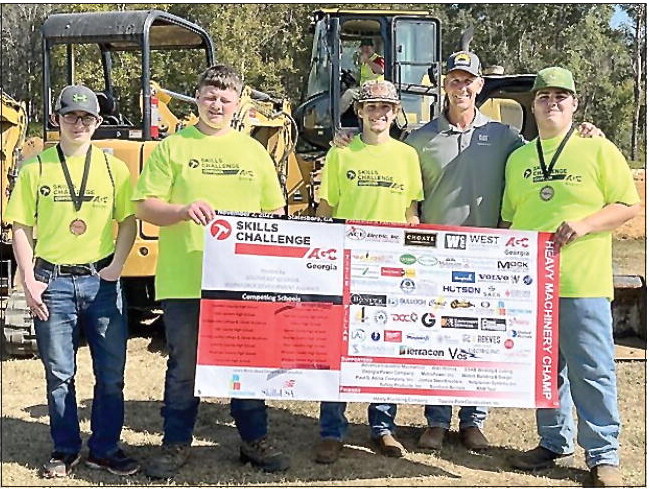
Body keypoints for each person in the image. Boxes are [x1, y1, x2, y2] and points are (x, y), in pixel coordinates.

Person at [332, 51, 605, 453]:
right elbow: (387, 158)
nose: (461, 87)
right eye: (455, 80)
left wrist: (586, 132)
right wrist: (348, 136)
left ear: (480, 86)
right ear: (445, 85)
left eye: (468, 81)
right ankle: (437, 421)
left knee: (481, 341)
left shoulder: (506, 138)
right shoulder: (420, 140)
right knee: (439, 340)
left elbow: (548, 147)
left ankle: (473, 421)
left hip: (489, 256)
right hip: (435, 258)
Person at [133, 65, 289, 479]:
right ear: (197, 98)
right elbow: (145, 205)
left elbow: (275, 213)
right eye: (209, 97)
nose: (216, 105)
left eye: (224, 99)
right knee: (184, 366)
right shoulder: (172, 148)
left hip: (243, 283)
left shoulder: (253, 152)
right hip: (186, 279)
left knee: (248, 363)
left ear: (237, 104)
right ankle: (176, 444)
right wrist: (182, 211)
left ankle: (254, 439)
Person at [503, 67, 639, 488]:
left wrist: (584, 224)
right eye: (544, 96)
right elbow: (511, 220)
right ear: (534, 103)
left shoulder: (597, 149)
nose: (552, 103)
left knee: (593, 371)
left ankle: (603, 455)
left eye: (562, 96)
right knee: (545, 372)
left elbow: (627, 205)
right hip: (533, 288)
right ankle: (553, 440)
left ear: (575, 103)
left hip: (582, 284)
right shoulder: (520, 158)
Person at [5, 85, 139, 478]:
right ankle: (65, 449)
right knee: (59, 374)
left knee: (111, 373)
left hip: (101, 282)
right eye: (70, 116)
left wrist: (116, 266)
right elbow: (21, 227)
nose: (78, 124)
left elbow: (128, 221)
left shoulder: (114, 168)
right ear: (56, 119)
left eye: (86, 118)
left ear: (98, 122)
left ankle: (105, 448)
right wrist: (28, 278)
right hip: (53, 282)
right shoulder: (36, 167)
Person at [314, 79, 423, 464]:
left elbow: (411, 213)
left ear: (396, 113)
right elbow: (325, 212)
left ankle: (382, 427)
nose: (379, 114)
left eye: (386, 108)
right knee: (337, 349)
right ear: (358, 112)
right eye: (372, 107)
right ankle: (331, 429)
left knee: (385, 348)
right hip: (346, 263)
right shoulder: (341, 155)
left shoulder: (407, 157)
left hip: (391, 268)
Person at [339, 38, 385, 115]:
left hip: (374, 89)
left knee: (349, 93)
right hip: (364, 89)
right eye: (363, 47)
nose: (365, 49)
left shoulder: (377, 59)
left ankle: (332, 117)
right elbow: (363, 76)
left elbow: (380, 70)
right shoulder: (363, 62)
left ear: (373, 48)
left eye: (368, 47)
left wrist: (367, 60)